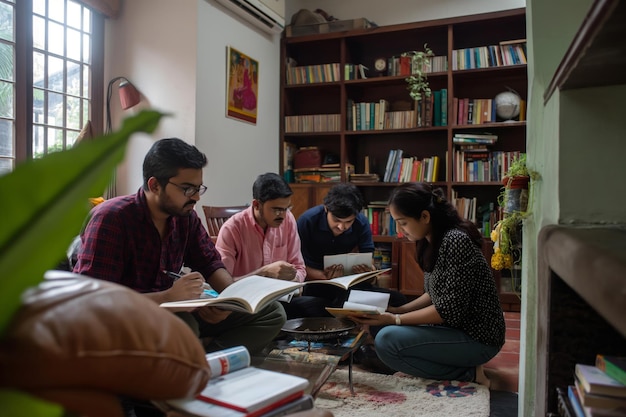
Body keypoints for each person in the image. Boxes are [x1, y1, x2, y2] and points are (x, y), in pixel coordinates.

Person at [73, 138, 286, 356]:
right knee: (184, 325)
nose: (195, 197)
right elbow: (93, 301)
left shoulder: (185, 218)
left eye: (198, 188)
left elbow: (210, 263)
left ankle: (210, 361)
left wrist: (230, 301)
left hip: (174, 308)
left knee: (271, 313)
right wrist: (166, 298)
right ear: (154, 185)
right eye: (187, 189)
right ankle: (197, 365)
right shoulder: (112, 218)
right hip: (125, 319)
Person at [349, 182, 505, 386]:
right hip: (453, 331)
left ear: (425, 216)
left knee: (387, 340)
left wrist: (395, 318)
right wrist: (398, 310)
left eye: (403, 223)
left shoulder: (455, 240)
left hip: (478, 339)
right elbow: (433, 294)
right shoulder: (429, 241)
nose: (399, 230)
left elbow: (448, 310)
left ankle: (468, 374)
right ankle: (440, 367)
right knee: (381, 330)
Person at [215, 172, 328, 318]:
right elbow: (223, 284)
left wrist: (294, 280)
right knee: (276, 314)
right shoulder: (232, 228)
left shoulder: (287, 220)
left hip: (278, 299)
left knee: (322, 308)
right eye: (276, 209)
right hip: (245, 303)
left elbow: (300, 268)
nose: (282, 215)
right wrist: (263, 273)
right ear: (256, 204)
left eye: (286, 208)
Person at [297, 182, 406, 309]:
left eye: (348, 222)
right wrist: (323, 276)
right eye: (337, 220)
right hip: (316, 285)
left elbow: (368, 256)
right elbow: (297, 264)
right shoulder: (307, 221)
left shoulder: (361, 222)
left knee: (398, 300)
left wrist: (367, 271)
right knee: (321, 306)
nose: (342, 227)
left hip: (350, 284)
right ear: (326, 208)